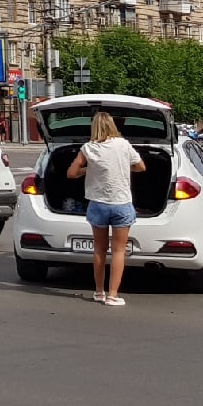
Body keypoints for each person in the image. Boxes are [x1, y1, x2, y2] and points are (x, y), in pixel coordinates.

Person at [65, 110, 147, 306]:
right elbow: (141, 167)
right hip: (121, 203)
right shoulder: (124, 145)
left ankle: (99, 291)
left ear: (94, 127)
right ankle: (112, 295)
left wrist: (88, 169)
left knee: (99, 250)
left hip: (98, 204)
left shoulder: (89, 148)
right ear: (112, 125)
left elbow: (71, 173)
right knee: (118, 251)